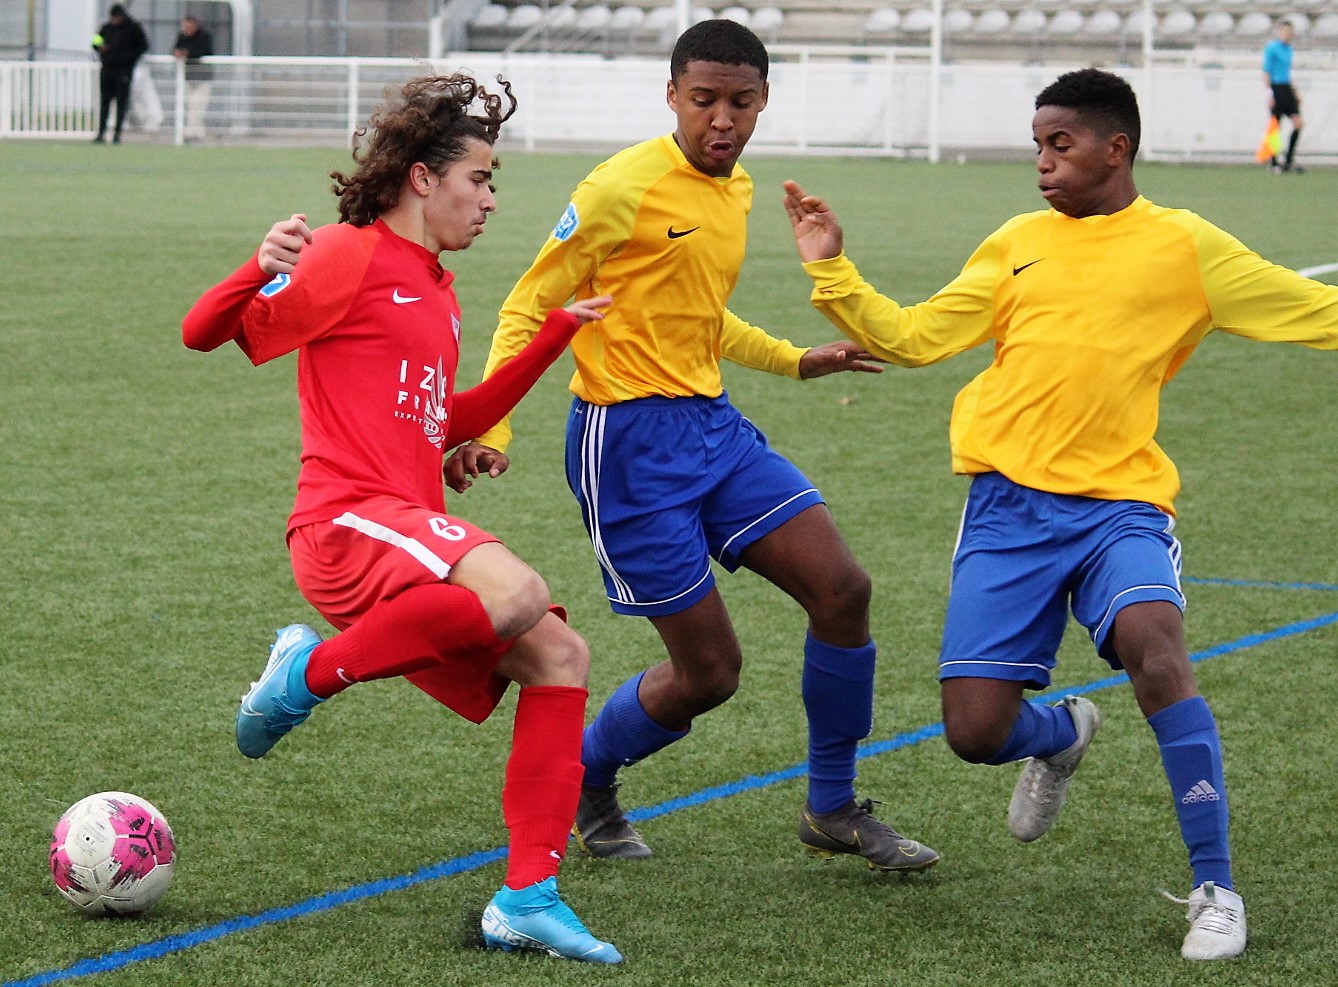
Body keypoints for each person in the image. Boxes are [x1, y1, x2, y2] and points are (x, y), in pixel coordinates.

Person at [783, 67, 1338, 961]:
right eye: (1037, 144)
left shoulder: (1186, 246)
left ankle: (1215, 888)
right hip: (1007, 509)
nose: (1042, 162)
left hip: (1121, 504)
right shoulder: (1016, 241)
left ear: (1117, 148)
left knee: (1157, 649)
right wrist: (832, 269)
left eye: (1061, 144)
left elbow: (1318, 311)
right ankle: (1061, 733)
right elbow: (917, 336)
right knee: (974, 732)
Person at [446, 19, 940, 874]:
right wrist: (491, 424)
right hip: (626, 444)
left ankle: (831, 807)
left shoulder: (736, 189)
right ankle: (589, 777)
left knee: (844, 590)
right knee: (711, 673)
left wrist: (792, 357)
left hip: (713, 429)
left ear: (762, 102)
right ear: (671, 95)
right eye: (704, 99)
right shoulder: (619, 188)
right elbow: (532, 305)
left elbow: (700, 317)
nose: (722, 118)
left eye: (740, 102)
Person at [181, 72, 622, 964]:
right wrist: (257, 266)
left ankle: (526, 896)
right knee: (520, 591)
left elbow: (437, 419)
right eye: (481, 178)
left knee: (560, 654)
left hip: (401, 529)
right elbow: (202, 330)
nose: (491, 199)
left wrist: (552, 336)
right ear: (423, 178)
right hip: (345, 525)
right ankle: (307, 672)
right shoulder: (348, 253)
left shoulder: (437, 288)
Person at [91, 3, 148, 144]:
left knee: (121, 104)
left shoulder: (133, 28)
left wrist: (130, 59)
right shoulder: (107, 28)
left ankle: (117, 134)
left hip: (124, 71)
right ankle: (101, 133)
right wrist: (99, 47)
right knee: (105, 102)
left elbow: (143, 46)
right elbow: (95, 41)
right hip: (107, 69)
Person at [1262, 19, 1304, 173]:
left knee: (1299, 123)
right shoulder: (1272, 48)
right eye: (1284, 31)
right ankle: (1273, 161)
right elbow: (1266, 72)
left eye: (1290, 32)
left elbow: (1287, 73)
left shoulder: (1289, 49)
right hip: (1276, 88)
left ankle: (1288, 160)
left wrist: (1296, 92)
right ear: (1280, 32)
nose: (1287, 34)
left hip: (1287, 88)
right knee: (1275, 125)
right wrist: (1269, 94)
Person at [172, 14, 214, 141]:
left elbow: (203, 51)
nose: (187, 29)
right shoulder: (182, 36)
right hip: (188, 77)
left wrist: (187, 53)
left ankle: (193, 132)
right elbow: (175, 49)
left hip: (203, 77)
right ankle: (195, 132)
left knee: (199, 105)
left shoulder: (204, 36)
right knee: (190, 105)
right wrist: (177, 53)